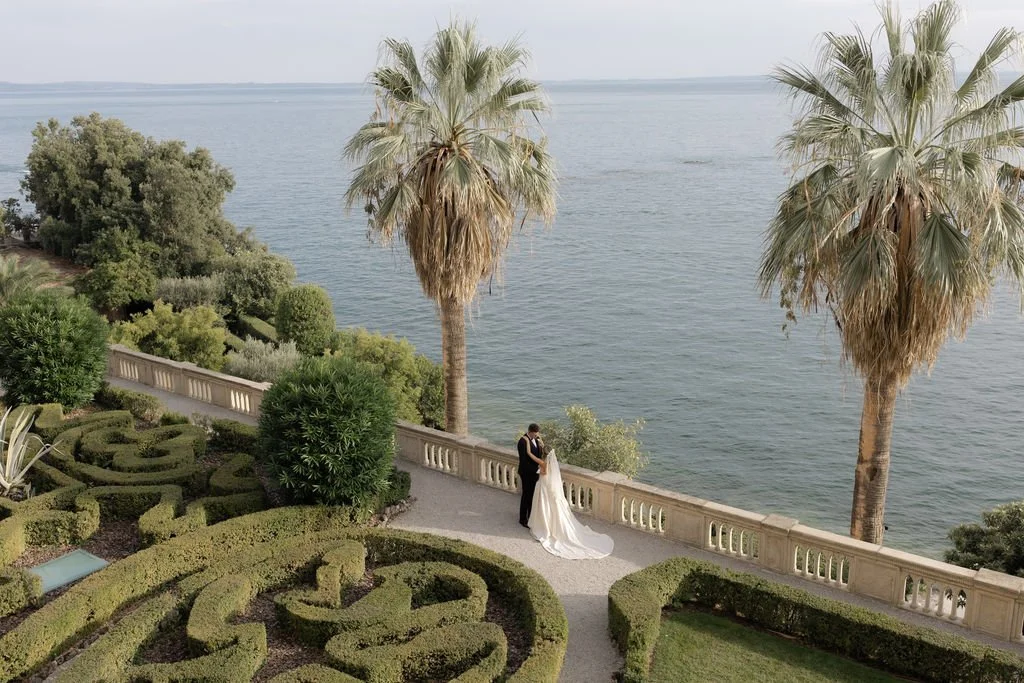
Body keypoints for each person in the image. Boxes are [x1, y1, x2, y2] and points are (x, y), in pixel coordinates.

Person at [530, 448, 614, 559]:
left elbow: (539, 467)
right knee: (549, 508)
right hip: (549, 488)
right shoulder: (551, 465)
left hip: (544, 487)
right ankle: (548, 525)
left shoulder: (543, 463)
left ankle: (544, 526)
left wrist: (530, 454)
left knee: (544, 507)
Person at [517, 424, 545, 528]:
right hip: (526, 473)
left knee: (532, 495)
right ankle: (523, 519)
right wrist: (537, 470)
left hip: (534, 473)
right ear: (531, 432)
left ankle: (531, 517)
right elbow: (523, 461)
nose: (537, 435)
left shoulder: (537, 440)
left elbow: (538, 455)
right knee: (526, 495)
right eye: (535, 433)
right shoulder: (522, 442)